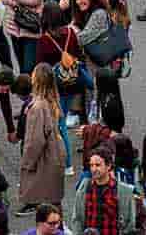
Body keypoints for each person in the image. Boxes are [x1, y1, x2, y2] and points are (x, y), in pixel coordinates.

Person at [15, 64, 66, 215]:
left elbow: (35, 140)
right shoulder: (53, 100)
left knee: (45, 206)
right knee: (54, 202)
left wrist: (27, 162)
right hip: (55, 153)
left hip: (44, 159)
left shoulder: (37, 107)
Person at [71, 146, 137, 235]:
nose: (94, 169)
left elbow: (129, 223)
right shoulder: (84, 188)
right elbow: (77, 219)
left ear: (108, 166)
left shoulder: (123, 191)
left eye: (98, 165)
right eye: (91, 165)